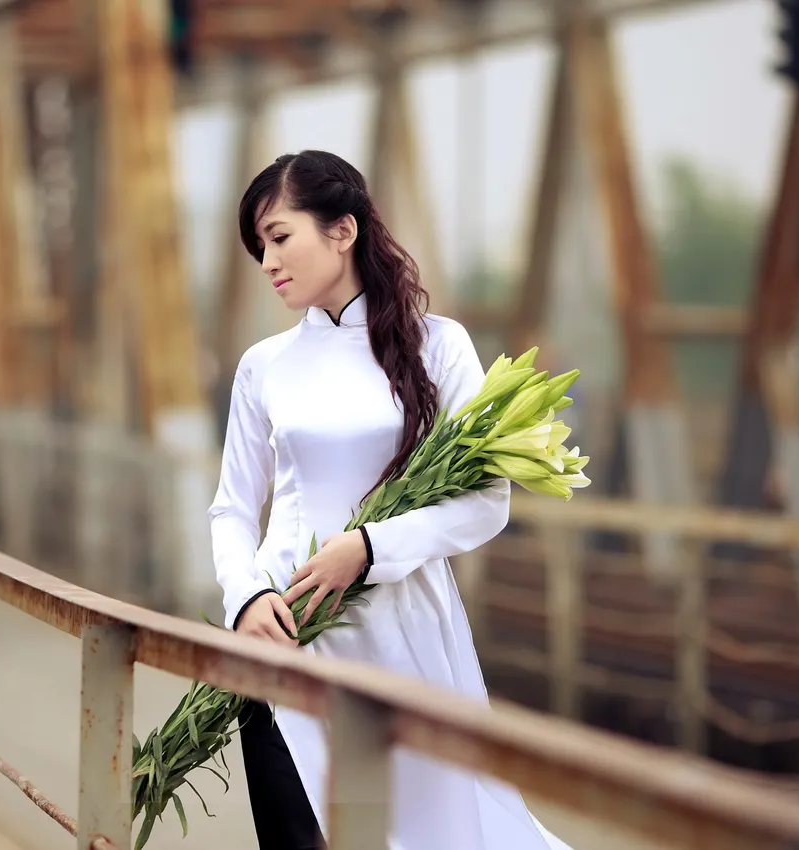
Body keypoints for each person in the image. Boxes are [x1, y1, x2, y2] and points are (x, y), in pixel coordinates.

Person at [208, 150, 571, 850]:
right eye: (258, 247)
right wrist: (246, 598)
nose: (266, 260)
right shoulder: (264, 366)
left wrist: (368, 549)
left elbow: (485, 503)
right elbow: (231, 507)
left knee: (428, 837)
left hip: (401, 638)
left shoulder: (440, 346)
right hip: (284, 640)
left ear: (341, 231)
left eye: (279, 236)